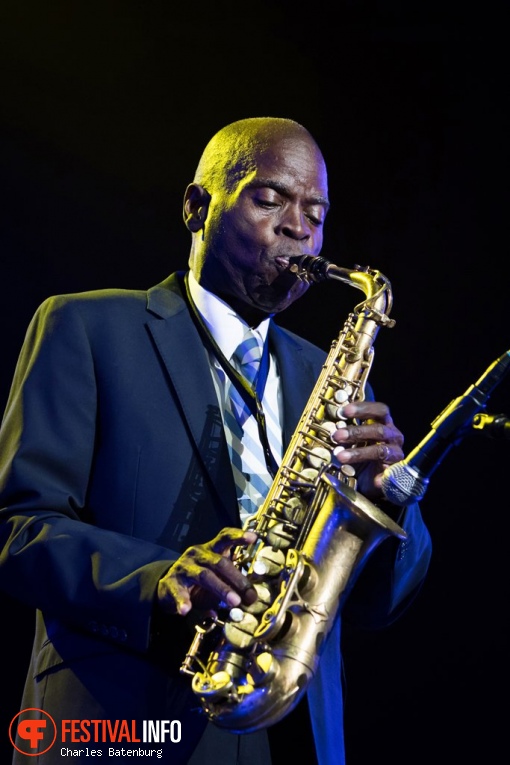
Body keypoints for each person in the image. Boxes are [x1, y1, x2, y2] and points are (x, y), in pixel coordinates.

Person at [0, 117, 432, 765]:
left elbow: (380, 601)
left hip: (293, 731)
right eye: (270, 199)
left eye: (316, 213)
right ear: (197, 207)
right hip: (126, 727)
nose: (299, 228)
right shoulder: (85, 326)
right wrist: (157, 581)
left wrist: (389, 500)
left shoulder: (327, 372)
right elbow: (17, 528)